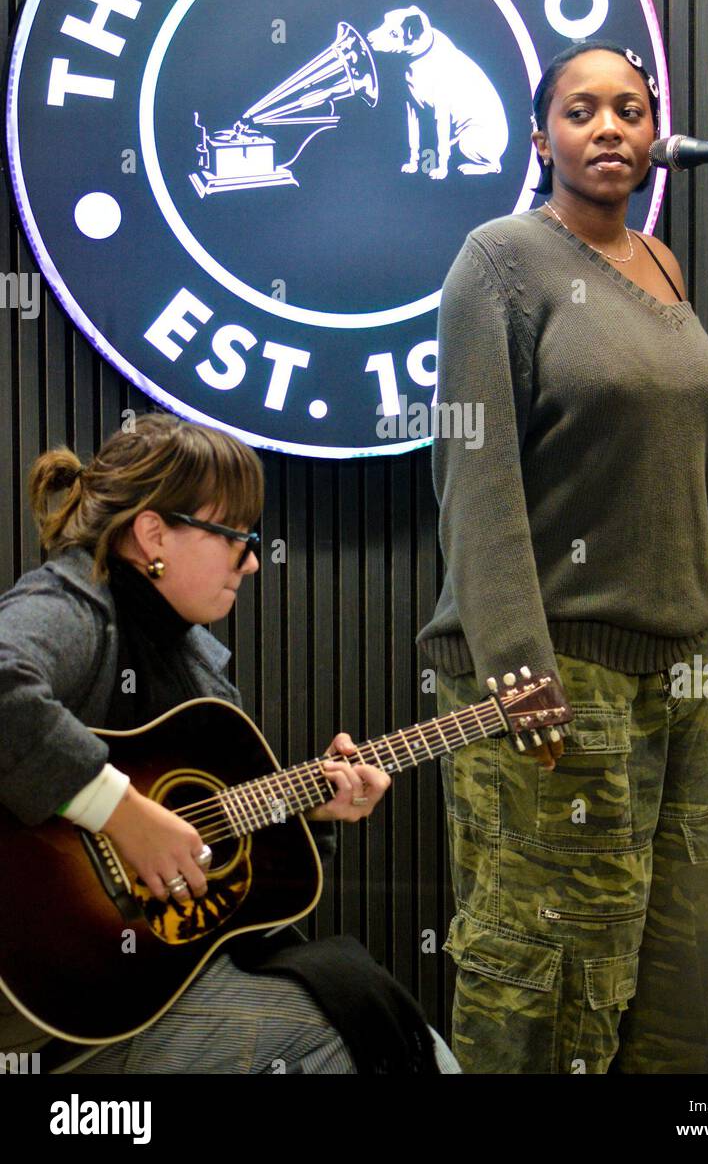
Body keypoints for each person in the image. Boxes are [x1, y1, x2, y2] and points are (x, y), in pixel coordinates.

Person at [416, 39, 708, 1074]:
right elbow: (474, 476)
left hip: (685, 673)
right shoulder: (497, 260)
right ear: (540, 138)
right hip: (552, 674)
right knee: (545, 974)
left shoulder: (663, 267)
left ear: (654, 134)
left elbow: (701, 489)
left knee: (675, 967)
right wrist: (515, 665)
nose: (610, 129)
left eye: (629, 110)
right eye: (581, 112)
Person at [0, 412, 459, 1074]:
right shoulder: (72, 607)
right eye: (233, 536)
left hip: (146, 991)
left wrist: (310, 811)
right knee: (345, 1034)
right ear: (153, 532)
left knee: (397, 1028)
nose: (250, 559)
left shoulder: (202, 669)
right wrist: (121, 813)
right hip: (47, 1009)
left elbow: (226, 870)